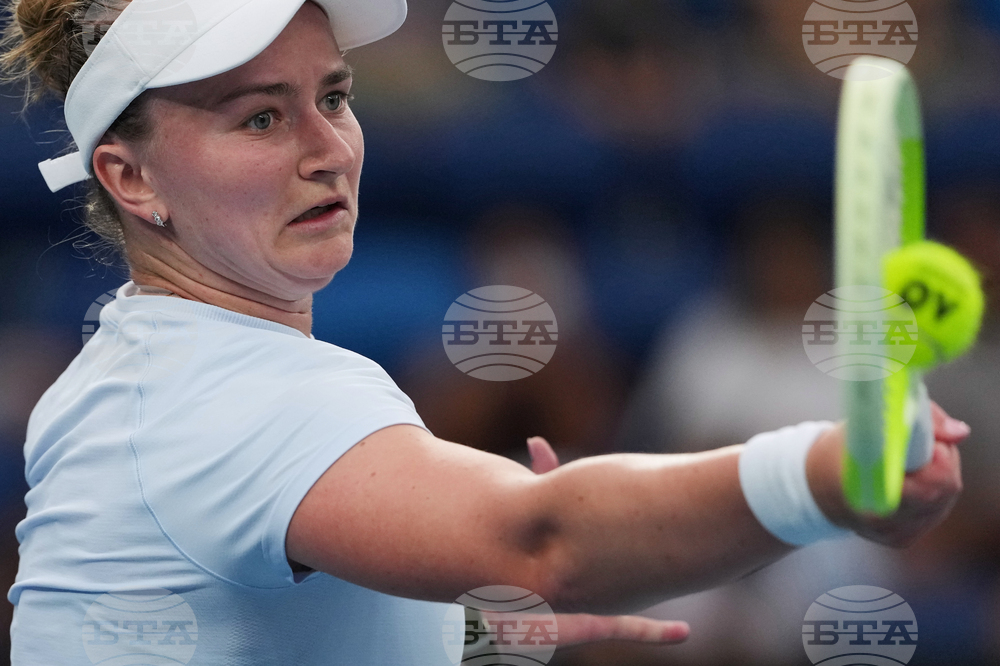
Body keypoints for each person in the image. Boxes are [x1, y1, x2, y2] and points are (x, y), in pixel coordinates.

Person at [1, 1, 967, 664]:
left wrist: (458, 632)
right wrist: (832, 476)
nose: (329, 150)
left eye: (333, 97)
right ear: (132, 179)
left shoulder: (121, 372)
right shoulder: (241, 395)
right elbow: (541, 538)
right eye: (259, 119)